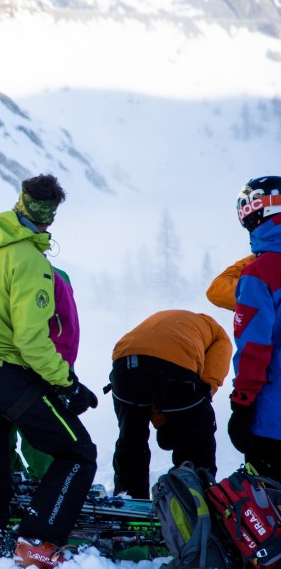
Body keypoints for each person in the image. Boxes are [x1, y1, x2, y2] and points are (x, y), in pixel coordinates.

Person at [0, 174, 98, 569]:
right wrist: (68, 383)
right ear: (49, 217)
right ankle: (37, 540)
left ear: (20, 203)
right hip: (6, 376)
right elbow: (32, 341)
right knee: (78, 451)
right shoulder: (31, 261)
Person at [108, 310, 231, 499]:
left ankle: (129, 497)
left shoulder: (170, 319)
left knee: (131, 438)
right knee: (198, 439)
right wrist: (201, 401)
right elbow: (210, 380)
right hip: (173, 367)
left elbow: (151, 382)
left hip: (124, 366)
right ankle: (193, 499)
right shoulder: (219, 335)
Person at [227, 176, 281, 480]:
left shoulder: (260, 272)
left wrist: (242, 404)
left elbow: (254, 346)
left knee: (266, 500)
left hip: (273, 421)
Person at [14, 265, 80, 480]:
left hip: (12, 364)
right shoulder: (54, 275)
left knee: (2, 432)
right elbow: (65, 332)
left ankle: (15, 475)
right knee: (42, 432)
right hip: (44, 366)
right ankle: (44, 480)